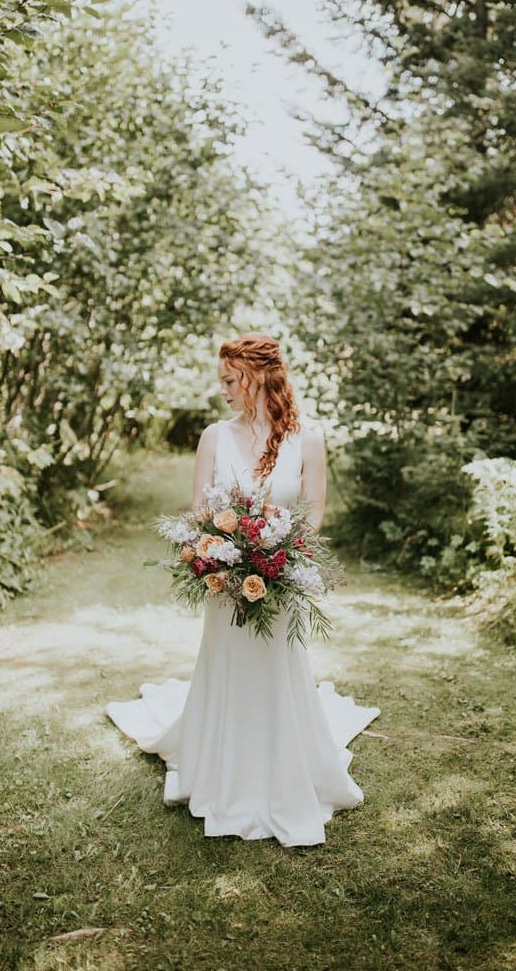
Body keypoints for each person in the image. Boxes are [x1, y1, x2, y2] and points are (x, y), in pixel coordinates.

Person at [107, 333, 380, 847]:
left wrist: (280, 552)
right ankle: (223, 769)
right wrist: (219, 554)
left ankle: (282, 769)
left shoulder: (309, 440)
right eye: (223, 381)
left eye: (231, 380)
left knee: (276, 668)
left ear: (258, 376)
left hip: (278, 581)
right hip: (225, 583)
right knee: (229, 665)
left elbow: (314, 514)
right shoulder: (214, 436)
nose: (225, 391)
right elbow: (197, 511)